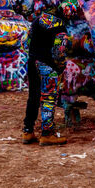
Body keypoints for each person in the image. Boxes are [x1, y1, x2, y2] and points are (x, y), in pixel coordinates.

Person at [23, 8, 68, 146]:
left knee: (33, 97)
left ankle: (27, 131)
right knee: (48, 98)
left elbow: (25, 42)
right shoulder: (59, 25)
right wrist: (60, 66)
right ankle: (47, 134)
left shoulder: (37, 21)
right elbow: (59, 51)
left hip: (32, 62)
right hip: (47, 65)